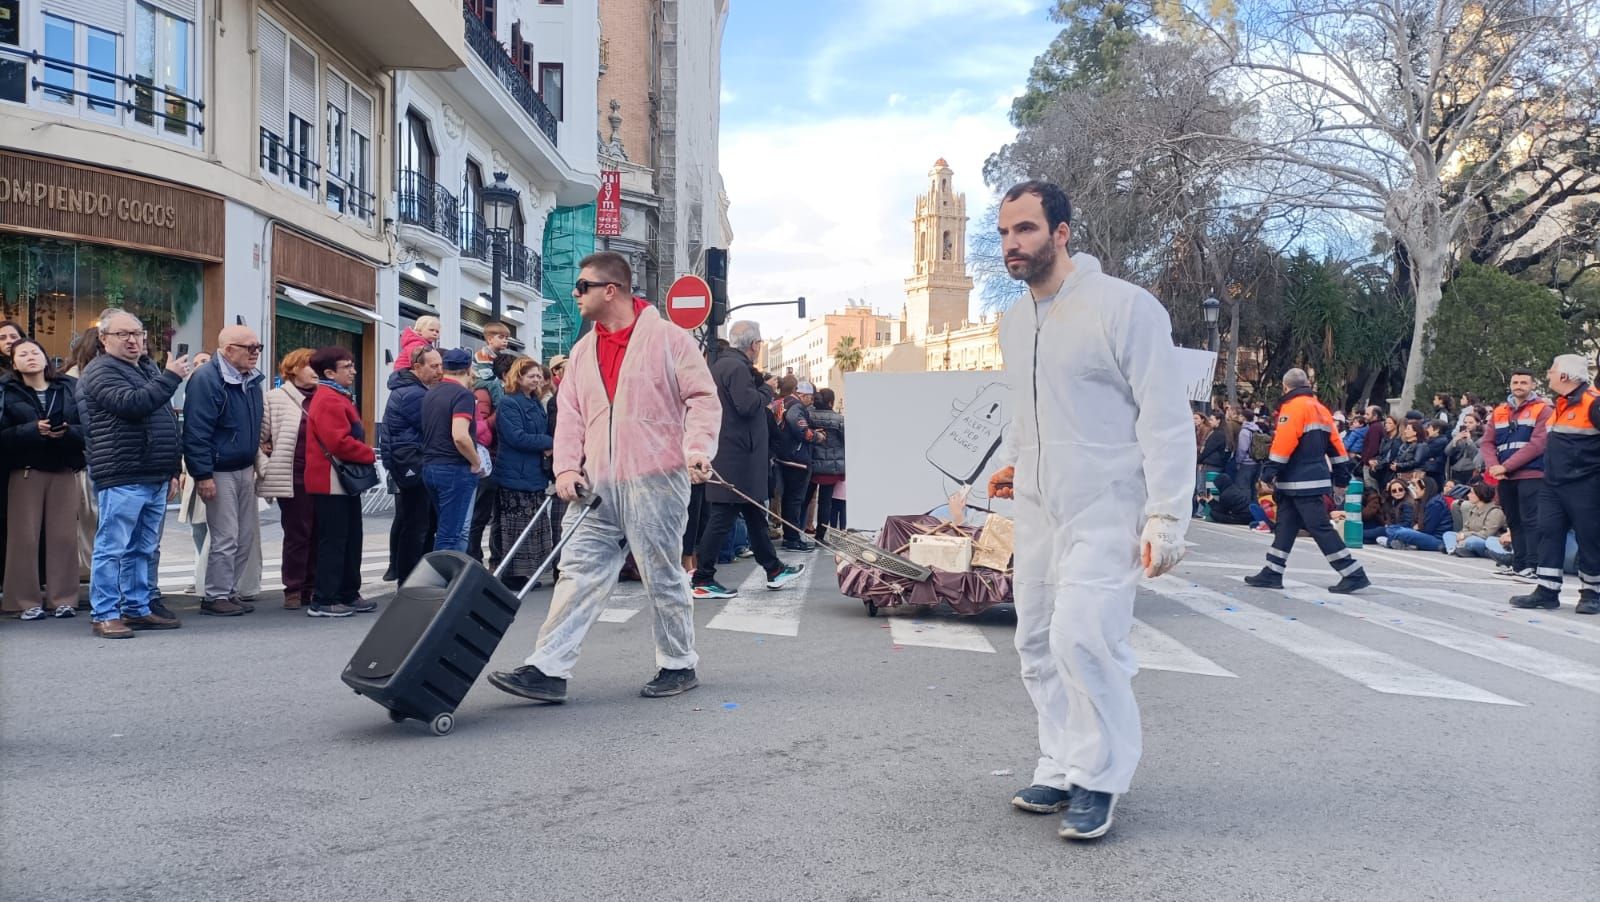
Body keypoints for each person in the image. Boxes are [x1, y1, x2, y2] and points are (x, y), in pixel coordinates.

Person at [983, 181, 1193, 841]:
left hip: (1109, 504)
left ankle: (1100, 780)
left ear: (1063, 231)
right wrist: (1019, 461)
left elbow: (1165, 418)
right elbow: (1031, 411)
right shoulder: (1015, 322)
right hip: (1040, 507)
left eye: (1025, 229)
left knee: (1085, 638)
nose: (1012, 245)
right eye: (1005, 233)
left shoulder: (1125, 308)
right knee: (1037, 639)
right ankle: (1063, 761)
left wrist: (1166, 517)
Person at [488, 251, 719, 703]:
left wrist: (696, 450)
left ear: (609, 290)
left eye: (582, 287)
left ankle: (678, 662)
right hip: (595, 484)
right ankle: (548, 668)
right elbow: (570, 415)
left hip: (655, 476)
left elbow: (703, 399)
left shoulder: (670, 340)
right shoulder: (581, 350)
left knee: (662, 574)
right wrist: (567, 468)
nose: (575, 295)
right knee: (576, 571)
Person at [77, 310, 189, 638]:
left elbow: (165, 420)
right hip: (122, 473)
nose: (133, 340)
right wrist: (170, 377)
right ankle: (105, 613)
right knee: (113, 547)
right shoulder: (99, 372)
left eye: (138, 334)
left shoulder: (144, 368)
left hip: (152, 472)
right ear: (103, 339)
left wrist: (171, 469)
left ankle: (138, 608)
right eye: (123, 334)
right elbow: (133, 404)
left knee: (143, 547)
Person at [690, 320, 804, 600]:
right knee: (723, 517)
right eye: (760, 343)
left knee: (754, 516)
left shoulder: (722, 366)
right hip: (738, 458)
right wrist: (766, 389)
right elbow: (747, 405)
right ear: (754, 345)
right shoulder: (736, 368)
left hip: (733, 454)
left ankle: (773, 569)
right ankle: (702, 577)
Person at [1244, 368, 1371, 593]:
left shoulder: (1292, 408)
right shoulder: (1320, 409)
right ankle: (1273, 571)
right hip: (1313, 478)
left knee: (1319, 527)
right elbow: (1336, 445)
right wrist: (1341, 474)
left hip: (1297, 480)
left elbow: (1283, 445)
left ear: (1285, 386)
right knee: (1285, 526)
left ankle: (1352, 572)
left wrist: (1267, 474)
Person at [181, 325, 266, 616]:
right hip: (219, 468)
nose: (256, 353)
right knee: (226, 535)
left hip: (242, 466)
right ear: (228, 350)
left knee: (244, 535)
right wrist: (203, 474)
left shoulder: (250, 379)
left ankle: (228, 591)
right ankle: (215, 595)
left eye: (258, 347)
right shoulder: (207, 378)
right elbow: (196, 431)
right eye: (250, 348)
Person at [1, 340, 85, 620]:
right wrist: (31, 430)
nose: (30, 357)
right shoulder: (7, 391)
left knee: (63, 537)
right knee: (24, 538)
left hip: (63, 467)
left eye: (35, 352)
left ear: (46, 357)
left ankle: (63, 598)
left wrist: (67, 432)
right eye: (22, 354)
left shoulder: (68, 388)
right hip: (26, 469)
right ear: (14, 364)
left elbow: (88, 427)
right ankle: (23, 601)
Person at [1511, 354, 1599, 613]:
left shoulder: (1593, 403)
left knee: (1590, 537)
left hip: (1586, 484)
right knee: (1548, 533)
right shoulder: (1559, 404)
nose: (1548, 374)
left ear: (1565, 376)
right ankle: (1547, 590)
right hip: (1553, 483)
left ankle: (1592, 593)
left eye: (1551, 370)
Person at [303, 346, 376, 618]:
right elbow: (338, 442)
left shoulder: (337, 396)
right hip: (330, 481)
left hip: (339, 480)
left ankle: (347, 593)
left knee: (350, 537)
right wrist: (368, 453)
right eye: (347, 367)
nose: (353, 371)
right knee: (335, 540)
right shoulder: (329, 399)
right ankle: (325, 598)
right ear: (329, 372)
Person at [258, 348, 322, 608]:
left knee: (320, 532)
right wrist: (267, 468)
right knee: (298, 533)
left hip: (322, 476)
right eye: (310, 365)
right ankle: (293, 588)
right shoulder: (274, 398)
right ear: (293, 368)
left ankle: (313, 586)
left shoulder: (324, 397)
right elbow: (258, 440)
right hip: (292, 475)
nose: (315, 371)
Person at [1480, 370, 1551, 580]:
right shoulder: (1500, 411)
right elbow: (1487, 442)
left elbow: (1537, 444)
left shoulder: (1543, 410)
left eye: (1524, 382)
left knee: (1531, 520)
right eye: (1515, 382)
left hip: (1531, 474)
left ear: (1533, 385)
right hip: (1505, 476)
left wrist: (1505, 466)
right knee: (1514, 521)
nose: (1519, 385)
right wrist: (1494, 465)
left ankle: (1533, 565)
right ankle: (1519, 564)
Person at [380, 346, 442, 582]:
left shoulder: (413, 390)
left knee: (417, 524)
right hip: (413, 464)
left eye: (440, 365)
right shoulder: (413, 393)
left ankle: (412, 577)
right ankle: (409, 579)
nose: (439, 371)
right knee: (416, 526)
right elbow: (433, 428)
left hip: (412, 462)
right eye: (433, 366)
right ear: (417, 367)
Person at [493, 356, 555, 590]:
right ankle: (514, 574)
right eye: (532, 375)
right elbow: (516, 437)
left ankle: (529, 571)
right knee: (516, 526)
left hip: (533, 472)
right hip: (515, 473)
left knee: (533, 524)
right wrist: (550, 441)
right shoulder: (509, 403)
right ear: (518, 377)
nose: (537, 379)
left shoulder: (535, 402)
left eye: (539, 375)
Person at [421, 349, 484, 552]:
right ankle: (445, 582)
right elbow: (460, 435)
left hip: (431, 466)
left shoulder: (431, 392)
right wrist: (476, 461)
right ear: (468, 369)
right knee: (451, 534)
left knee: (446, 529)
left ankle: (447, 578)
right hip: (454, 468)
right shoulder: (462, 395)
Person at [774, 378, 825, 552]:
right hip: (796, 460)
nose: (811, 402)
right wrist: (816, 437)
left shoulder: (783, 402)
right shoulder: (796, 407)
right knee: (794, 501)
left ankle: (791, 536)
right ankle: (792, 539)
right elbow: (800, 429)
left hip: (785, 457)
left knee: (789, 500)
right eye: (810, 398)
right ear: (802, 395)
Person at [1377, 477, 1450, 552]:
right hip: (1427, 536)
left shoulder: (1435, 504)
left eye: (1417, 488)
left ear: (1425, 489)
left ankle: (1390, 542)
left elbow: (1428, 530)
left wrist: (1416, 529)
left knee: (1399, 532)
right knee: (1393, 528)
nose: (1415, 490)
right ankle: (1406, 544)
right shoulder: (1424, 502)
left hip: (1437, 539)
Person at [808, 387, 846, 531]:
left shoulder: (808, 415)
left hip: (811, 464)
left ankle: (796, 532)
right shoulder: (839, 419)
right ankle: (820, 535)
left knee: (804, 500)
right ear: (831, 402)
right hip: (831, 467)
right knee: (825, 502)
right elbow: (845, 440)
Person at [1446, 482, 1511, 563]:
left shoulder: (1495, 511)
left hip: (1484, 540)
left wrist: (1465, 535)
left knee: (1472, 541)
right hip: (1470, 536)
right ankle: (1453, 549)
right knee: (1448, 534)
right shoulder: (1474, 509)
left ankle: (1460, 547)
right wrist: (1462, 534)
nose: (1468, 495)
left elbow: (1487, 534)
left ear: (1480, 495)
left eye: (1471, 493)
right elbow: (1466, 527)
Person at [1364, 480, 1415, 545]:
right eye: (1394, 491)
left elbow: (1407, 523)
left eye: (1400, 489)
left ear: (1405, 490)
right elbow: (1385, 498)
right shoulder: (1394, 503)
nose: (1398, 492)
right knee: (1368, 540)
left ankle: (1355, 534)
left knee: (1380, 530)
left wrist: (1391, 527)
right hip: (1395, 529)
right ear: (1391, 493)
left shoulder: (1407, 504)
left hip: (1401, 530)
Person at [1446, 411, 1483, 484]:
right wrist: (1454, 441)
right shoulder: (1460, 435)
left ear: (1478, 423)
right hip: (1455, 469)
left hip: (1470, 470)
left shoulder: (1481, 438)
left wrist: (1469, 440)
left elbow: (1475, 455)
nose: (1467, 425)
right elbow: (1447, 452)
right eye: (1465, 422)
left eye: (1470, 422)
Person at [1410, 419, 1449, 487]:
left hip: (1434, 472)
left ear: (1437, 430)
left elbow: (1424, 453)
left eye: (1430, 427)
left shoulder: (1441, 441)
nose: (1427, 430)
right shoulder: (1431, 440)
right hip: (1430, 471)